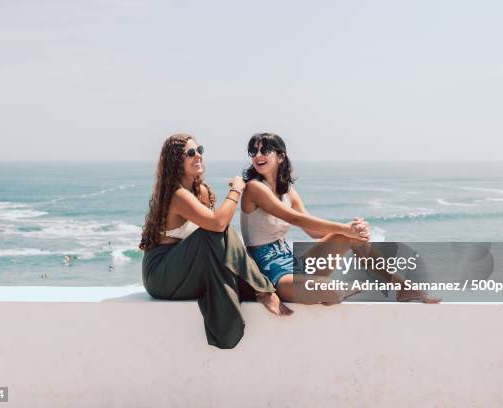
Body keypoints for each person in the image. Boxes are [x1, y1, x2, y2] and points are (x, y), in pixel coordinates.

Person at [240, 132, 441, 304]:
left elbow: (313, 231)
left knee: (353, 238)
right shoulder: (254, 188)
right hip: (268, 271)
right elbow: (295, 220)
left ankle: (403, 287)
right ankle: (349, 287)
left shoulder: (288, 191)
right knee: (332, 292)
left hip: (292, 262)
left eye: (265, 150)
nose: (258, 156)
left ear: (280, 157)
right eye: (253, 152)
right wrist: (344, 228)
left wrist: (351, 230)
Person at [140, 133, 293, 349]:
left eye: (199, 150)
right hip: (161, 275)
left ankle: (266, 288)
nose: (198, 156)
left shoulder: (200, 191)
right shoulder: (177, 195)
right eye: (190, 153)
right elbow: (218, 225)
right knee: (215, 230)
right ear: (175, 161)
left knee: (221, 246)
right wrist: (237, 189)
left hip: (188, 269)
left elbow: (216, 243)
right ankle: (262, 290)